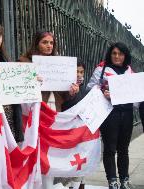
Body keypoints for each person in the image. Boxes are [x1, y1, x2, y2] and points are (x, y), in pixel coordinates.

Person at [87, 42, 134, 189]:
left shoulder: (129, 71)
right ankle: (112, 181)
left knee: (124, 149)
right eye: (114, 53)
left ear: (125, 55)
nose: (117, 56)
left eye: (120, 53)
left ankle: (124, 181)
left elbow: (135, 92)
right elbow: (91, 89)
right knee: (109, 148)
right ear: (110, 54)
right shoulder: (101, 69)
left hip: (127, 113)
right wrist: (102, 93)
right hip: (109, 114)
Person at [18, 31, 79, 112]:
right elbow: (18, 89)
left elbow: (64, 94)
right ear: (36, 44)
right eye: (45, 42)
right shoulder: (24, 62)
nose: (49, 46)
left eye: (51, 43)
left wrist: (72, 92)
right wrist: (30, 80)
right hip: (34, 108)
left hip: (55, 108)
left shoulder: (60, 64)